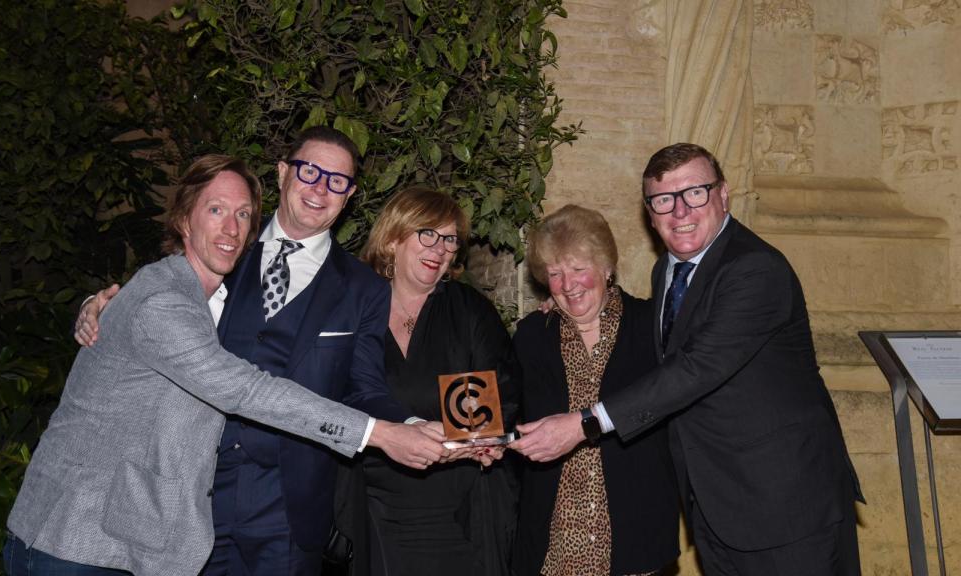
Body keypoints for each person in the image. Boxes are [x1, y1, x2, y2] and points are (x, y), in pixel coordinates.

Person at [4, 155, 445, 576]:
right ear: (183, 219)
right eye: (215, 209)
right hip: (73, 531)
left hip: (167, 529)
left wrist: (408, 423)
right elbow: (244, 389)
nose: (231, 228)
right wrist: (380, 434)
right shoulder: (165, 298)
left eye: (242, 214)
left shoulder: (214, 287)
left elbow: (360, 381)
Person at [512, 143, 864, 575]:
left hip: (783, 503)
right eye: (663, 200)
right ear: (649, 211)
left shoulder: (755, 269)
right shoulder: (668, 273)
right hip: (715, 505)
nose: (679, 211)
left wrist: (584, 423)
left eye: (694, 192)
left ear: (723, 194)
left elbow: (696, 368)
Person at [335, 185, 517, 575]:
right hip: (372, 506)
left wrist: (478, 440)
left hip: (457, 507)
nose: (440, 249)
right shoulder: (352, 307)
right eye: (427, 234)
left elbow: (494, 397)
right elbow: (338, 395)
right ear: (393, 238)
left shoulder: (467, 310)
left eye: (449, 239)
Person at [509, 205, 679, 576]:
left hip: (635, 528)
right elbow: (511, 415)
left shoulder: (653, 328)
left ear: (606, 268)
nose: (568, 285)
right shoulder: (532, 336)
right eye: (555, 274)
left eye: (579, 269)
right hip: (552, 535)